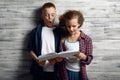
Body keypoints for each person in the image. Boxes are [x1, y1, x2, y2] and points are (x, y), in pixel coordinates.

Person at [27, 2, 60, 80]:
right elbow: (30, 49)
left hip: (56, 70)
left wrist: (56, 60)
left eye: (52, 15)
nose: (50, 17)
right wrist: (38, 60)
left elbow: (62, 50)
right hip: (39, 70)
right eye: (46, 15)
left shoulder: (59, 31)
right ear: (42, 16)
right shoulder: (35, 31)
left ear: (55, 15)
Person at [56, 10, 93, 80]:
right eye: (68, 26)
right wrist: (58, 59)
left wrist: (84, 57)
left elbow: (89, 60)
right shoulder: (62, 38)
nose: (71, 29)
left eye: (74, 26)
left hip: (80, 73)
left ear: (79, 24)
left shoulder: (87, 40)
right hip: (64, 73)